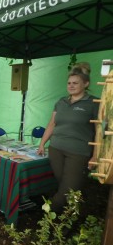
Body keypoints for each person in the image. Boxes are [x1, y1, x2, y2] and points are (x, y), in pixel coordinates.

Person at [37, 64, 99, 213]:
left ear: (86, 84)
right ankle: (71, 217)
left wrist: (96, 156)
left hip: (79, 153)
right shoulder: (61, 102)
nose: (71, 86)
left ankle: (46, 216)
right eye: (69, 83)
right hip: (56, 149)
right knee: (66, 187)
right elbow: (52, 124)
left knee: (67, 190)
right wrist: (42, 143)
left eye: (75, 83)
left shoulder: (94, 103)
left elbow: (99, 132)